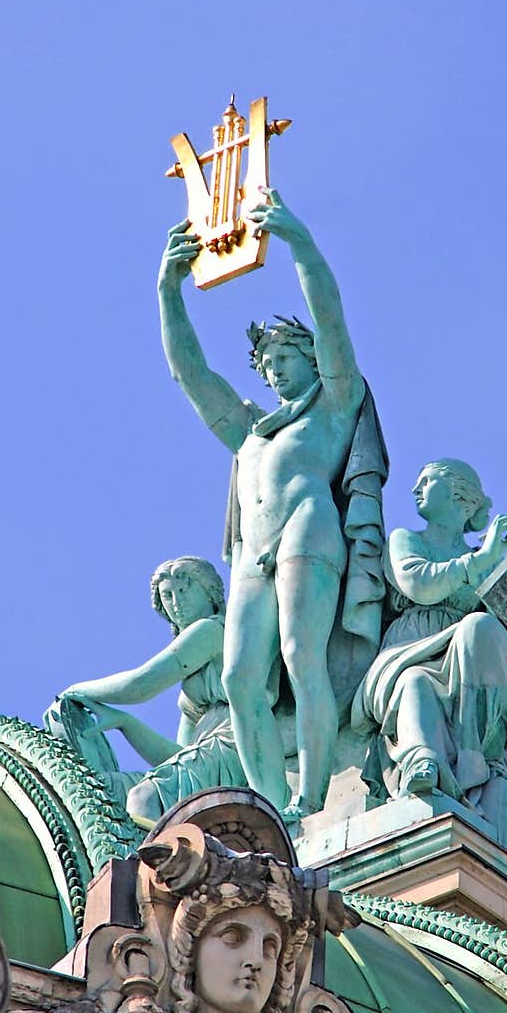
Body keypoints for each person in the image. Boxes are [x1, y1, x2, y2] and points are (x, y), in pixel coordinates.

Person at [158, 188, 387, 823]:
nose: (276, 371)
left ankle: (310, 798)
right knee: (237, 682)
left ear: (312, 359)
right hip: (252, 551)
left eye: (286, 357)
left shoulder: (335, 403)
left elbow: (334, 320)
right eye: (267, 364)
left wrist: (300, 244)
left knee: (300, 654)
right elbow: (193, 378)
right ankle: (270, 804)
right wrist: (168, 292)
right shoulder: (252, 431)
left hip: (308, 528)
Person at [351, 459, 507, 804]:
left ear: (459, 495)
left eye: (428, 482)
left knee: (480, 627)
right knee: (414, 683)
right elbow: (419, 585)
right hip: (409, 650)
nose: (416, 490)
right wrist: (483, 559)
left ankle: (481, 751)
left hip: (468, 658)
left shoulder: (484, 559)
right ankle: (423, 762)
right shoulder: (405, 540)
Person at [57, 555, 245, 821]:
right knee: (107, 791)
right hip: (214, 754)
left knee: (144, 796)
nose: (177, 603)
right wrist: (126, 723)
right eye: (167, 596)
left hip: (236, 749)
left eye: (184, 590)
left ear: (210, 592)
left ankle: (154, 860)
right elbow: (178, 756)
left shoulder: (213, 630)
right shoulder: (194, 692)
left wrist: (75, 690)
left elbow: (141, 685)